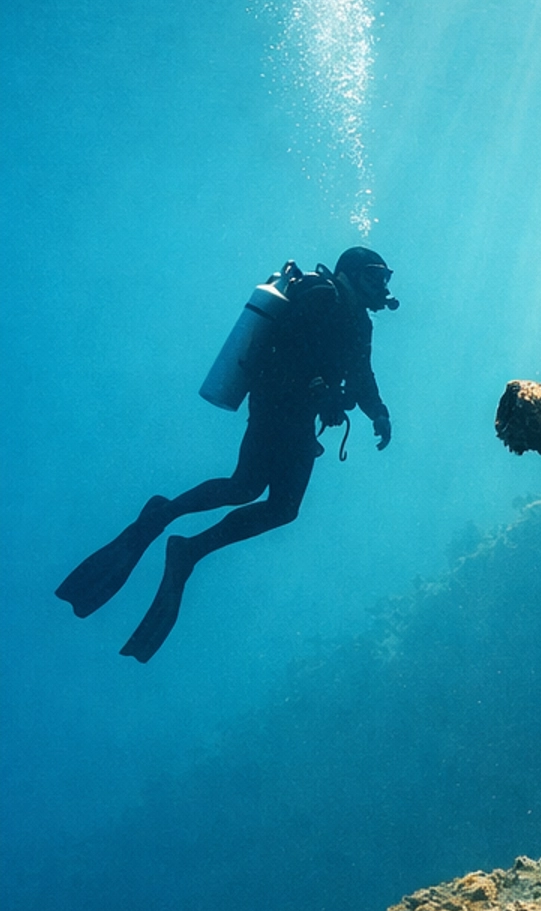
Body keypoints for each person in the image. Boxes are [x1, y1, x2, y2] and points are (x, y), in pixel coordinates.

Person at [57, 247, 397, 662]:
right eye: (375, 275)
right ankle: (166, 520)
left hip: (300, 416)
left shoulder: (359, 321)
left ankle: (186, 547)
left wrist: (377, 412)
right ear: (350, 273)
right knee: (246, 486)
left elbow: (362, 374)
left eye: (385, 277)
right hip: (275, 404)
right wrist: (320, 390)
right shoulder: (321, 296)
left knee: (282, 507)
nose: (382, 286)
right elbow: (290, 349)